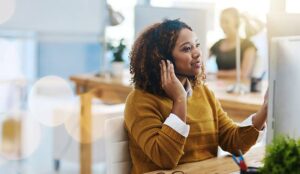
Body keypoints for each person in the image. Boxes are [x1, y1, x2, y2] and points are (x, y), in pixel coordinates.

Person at [124, 19, 268, 174]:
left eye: (197, 45)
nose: (197, 53)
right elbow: (165, 159)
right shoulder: (139, 100)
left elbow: (234, 143)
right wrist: (179, 100)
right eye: (186, 49)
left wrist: (266, 108)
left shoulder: (203, 93)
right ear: (162, 59)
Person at [210, 8, 257, 79]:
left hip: (239, 87)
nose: (223, 25)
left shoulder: (248, 45)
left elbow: (244, 74)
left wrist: (217, 74)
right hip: (219, 86)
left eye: (226, 22)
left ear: (236, 22)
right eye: (221, 21)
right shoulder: (218, 44)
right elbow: (201, 58)